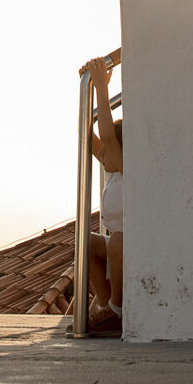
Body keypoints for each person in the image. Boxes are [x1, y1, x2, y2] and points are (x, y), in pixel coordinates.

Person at [83, 54, 124, 330]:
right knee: (87, 241)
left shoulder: (126, 167)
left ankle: (118, 309)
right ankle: (105, 303)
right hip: (117, 253)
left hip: (132, 251)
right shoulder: (112, 166)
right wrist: (87, 93)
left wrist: (101, 87)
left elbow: (107, 134)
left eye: (110, 149)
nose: (104, 154)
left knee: (118, 240)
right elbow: (87, 135)